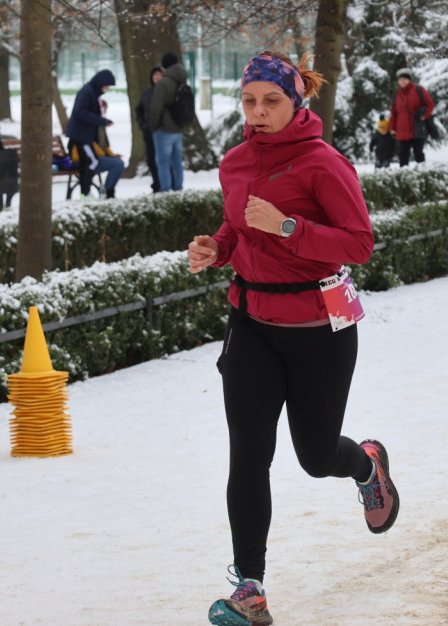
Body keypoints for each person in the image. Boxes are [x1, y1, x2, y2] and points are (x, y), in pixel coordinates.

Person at [186, 50, 398, 626]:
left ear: (295, 100)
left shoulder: (324, 163)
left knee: (314, 456)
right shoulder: (234, 162)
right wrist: (218, 249)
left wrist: (285, 226)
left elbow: (358, 244)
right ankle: (248, 589)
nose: (258, 112)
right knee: (248, 456)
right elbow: (237, 225)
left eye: (271, 101)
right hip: (251, 325)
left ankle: (367, 465)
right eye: (249, 101)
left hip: (319, 334)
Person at [65, 69, 117, 199]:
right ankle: (86, 192)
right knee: (91, 162)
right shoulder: (87, 92)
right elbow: (80, 111)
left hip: (84, 135)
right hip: (81, 136)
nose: (107, 88)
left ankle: (86, 192)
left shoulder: (91, 92)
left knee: (88, 162)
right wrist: (101, 121)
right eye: (107, 85)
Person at [148, 52, 189, 192]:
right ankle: (178, 188)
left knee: (163, 162)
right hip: (179, 127)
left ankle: (165, 190)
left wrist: (153, 126)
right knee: (177, 161)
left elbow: (156, 107)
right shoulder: (182, 79)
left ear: (164, 66)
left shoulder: (163, 83)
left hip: (164, 129)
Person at [388, 67, 434, 166]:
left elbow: (430, 104)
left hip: (417, 128)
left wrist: (424, 116)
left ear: (409, 80)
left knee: (419, 153)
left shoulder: (419, 90)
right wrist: (392, 128)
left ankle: (423, 173)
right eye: (400, 80)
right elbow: (394, 113)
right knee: (403, 155)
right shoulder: (396, 95)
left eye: (404, 79)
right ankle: (404, 176)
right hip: (402, 130)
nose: (402, 81)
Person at [134, 64, 164, 193]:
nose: (157, 77)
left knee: (163, 160)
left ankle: (166, 184)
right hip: (149, 133)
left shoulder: (166, 92)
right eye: (154, 75)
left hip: (163, 133)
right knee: (151, 160)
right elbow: (139, 111)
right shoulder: (146, 93)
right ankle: (156, 184)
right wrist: (143, 125)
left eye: (159, 74)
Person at [93, 99, 126, 199]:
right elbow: (90, 145)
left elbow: (104, 145)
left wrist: (111, 154)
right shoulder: (91, 124)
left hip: (98, 156)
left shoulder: (100, 124)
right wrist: (104, 155)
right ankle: (107, 191)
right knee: (116, 164)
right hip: (89, 158)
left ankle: (109, 190)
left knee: (119, 162)